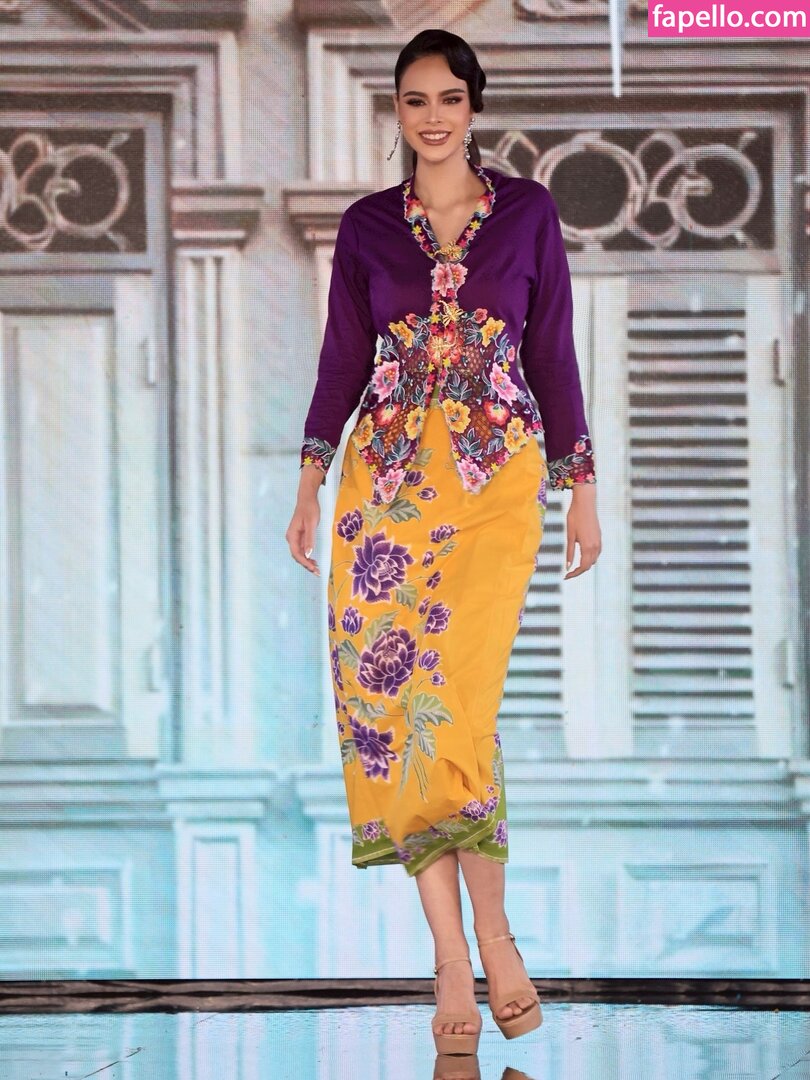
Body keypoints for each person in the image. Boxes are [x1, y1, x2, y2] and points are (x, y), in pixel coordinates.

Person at [286, 28, 601, 1056]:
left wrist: (582, 488)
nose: (433, 117)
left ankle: (496, 935)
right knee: (398, 710)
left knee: (459, 707)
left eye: (450, 98)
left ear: (474, 106)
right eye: (416, 99)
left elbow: (552, 353)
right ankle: (453, 956)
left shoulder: (529, 214)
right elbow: (342, 358)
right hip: (382, 492)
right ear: (398, 110)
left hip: (495, 483)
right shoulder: (367, 227)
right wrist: (309, 481)